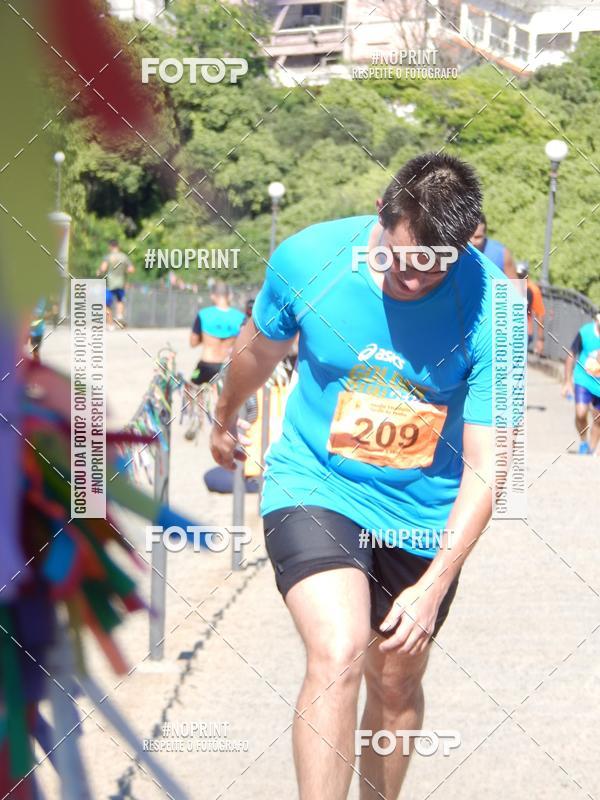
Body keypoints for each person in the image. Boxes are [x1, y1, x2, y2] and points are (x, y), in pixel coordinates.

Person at [210, 153, 512, 800]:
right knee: (340, 651)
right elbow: (258, 351)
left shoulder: (497, 310)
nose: (412, 281)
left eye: (433, 270)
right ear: (384, 216)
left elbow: (488, 468)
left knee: (396, 680)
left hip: (422, 514)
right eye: (402, 262)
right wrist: (223, 415)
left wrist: (434, 586)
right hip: (316, 483)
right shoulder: (309, 258)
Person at [189, 281, 245, 386]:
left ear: (213, 296)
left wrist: (206, 337)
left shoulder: (203, 314)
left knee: (191, 393)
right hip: (227, 366)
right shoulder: (240, 317)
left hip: (206, 365)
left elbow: (193, 343)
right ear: (230, 296)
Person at [563, 312, 600, 455]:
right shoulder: (585, 332)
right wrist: (567, 381)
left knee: (597, 418)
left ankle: (591, 451)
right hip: (583, 378)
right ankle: (584, 440)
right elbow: (571, 354)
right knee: (580, 413)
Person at [97, 240, 135, 327]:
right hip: (121, 283)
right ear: (118, 246)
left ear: (110, 246)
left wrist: (99, 272)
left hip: (110, 284)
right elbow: (131, 269)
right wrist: (123, 271)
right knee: (120, 300)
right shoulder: (124, 257)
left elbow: (103, 269)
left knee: (107, 304)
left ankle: (110, 325)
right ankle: (119, 315)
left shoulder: (108, 257)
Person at [469, 213, 517, 278]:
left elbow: (515, 285)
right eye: (468, 236)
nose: (472, 242)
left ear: (485, 234)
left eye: (477, 237)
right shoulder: (455, 253)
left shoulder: (502, 253)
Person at [515, 261, 545, 355]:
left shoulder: (533, 289)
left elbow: (540, 314)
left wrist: (540, 339)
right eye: (517, 275)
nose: (519, 277)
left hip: (524, 332)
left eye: (521, 275)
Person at [28, 298, 46, 362]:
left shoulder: (34, 311)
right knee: (36, 349)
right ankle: (36, 361)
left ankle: (36, 361)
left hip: (35, 333)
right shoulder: (41, 309)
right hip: (39, 332)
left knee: (35, 349)